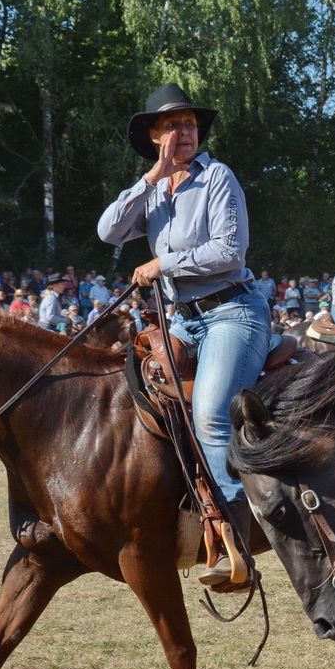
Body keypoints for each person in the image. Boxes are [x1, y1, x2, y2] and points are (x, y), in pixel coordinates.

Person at [97, 82, 268, 588]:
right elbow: (109, 230)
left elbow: (229, 252)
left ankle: (236, 542)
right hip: (179, 322)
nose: (183, 132)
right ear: (154, 136)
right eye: (172, 125)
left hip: (231, 312)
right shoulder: (152, 192)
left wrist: (161, 262)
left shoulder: (217, 177)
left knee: (212, 416)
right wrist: (153, 177)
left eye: (189, 123)